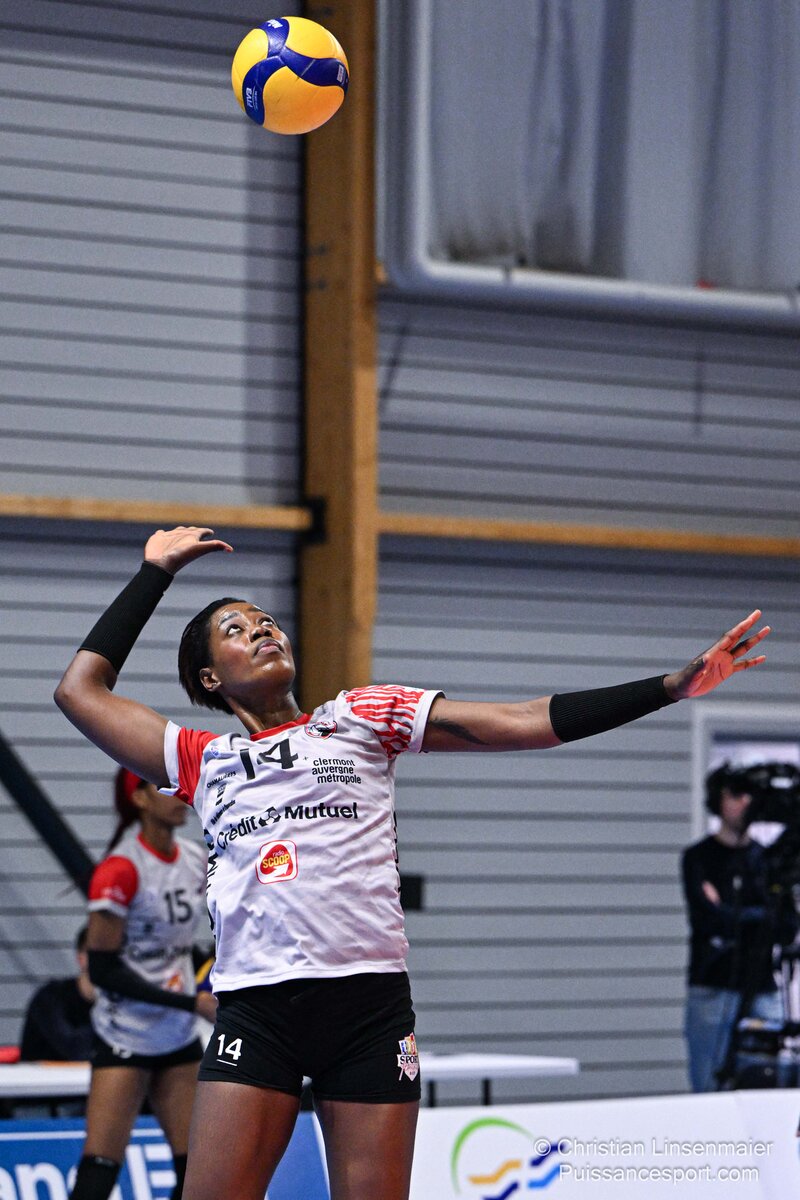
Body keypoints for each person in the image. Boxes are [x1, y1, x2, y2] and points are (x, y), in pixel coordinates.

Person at [53, 525, 770, 1200]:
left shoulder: (360, 717)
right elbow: (78, 692)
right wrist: (155, 572)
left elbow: (523, 722)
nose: (263, 629)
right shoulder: (203, 761)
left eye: (266, 620)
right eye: (236, 630)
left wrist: (669, 688)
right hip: (258, 1011)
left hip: (366, 1009)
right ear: (210, 679)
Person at [66, 765, 217, 1200]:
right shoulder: (122, 869)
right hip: (125, 1034)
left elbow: (193, 943)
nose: (179, 794)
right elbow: (103, 970)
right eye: (163, 787)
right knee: (100, 1169)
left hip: (177, 1036)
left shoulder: (195, 859)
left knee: (195, 1171)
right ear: (140, 799)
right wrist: (191, 1003)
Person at [682, 765, 797, 1092]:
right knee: (709, 1085)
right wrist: (757, 916)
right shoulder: (699, 858)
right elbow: (708, 921)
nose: (744, 802)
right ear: (717, 800)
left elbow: (786, 927)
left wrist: (731, 913)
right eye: (735, 794)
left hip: (763, 987)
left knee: (769, 1082)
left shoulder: (767, 859)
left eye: (750, 795)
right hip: (713, 986)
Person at [20, 925, 96, 1063]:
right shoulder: (51, 997)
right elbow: (74, 1048)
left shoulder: (117, 1002)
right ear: (81, 958)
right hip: (42, 1075)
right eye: (97, 954)